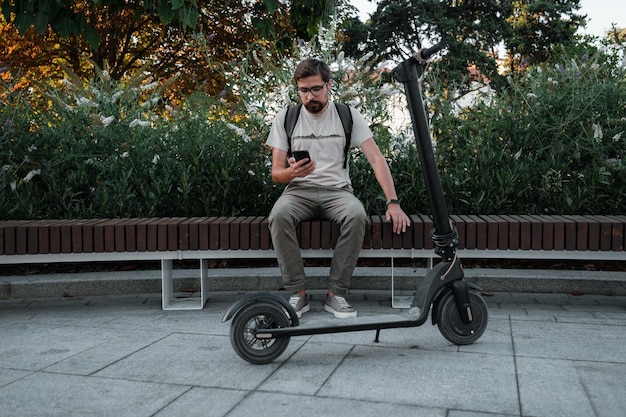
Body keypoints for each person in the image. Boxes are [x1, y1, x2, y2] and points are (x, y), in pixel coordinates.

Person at [266, 58, 410, 319]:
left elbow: (376, 159)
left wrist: (393, 201)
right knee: (278, 216)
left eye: (316, 89)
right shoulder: (287, 117)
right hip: (299, 191)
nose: (310, 96)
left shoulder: (347, 115)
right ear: (297, 89)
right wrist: (292, 173)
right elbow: (276, 173)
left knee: (356, 216)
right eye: (304, 90)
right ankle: (298, 293)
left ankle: (337, 294)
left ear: (329, 85)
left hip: (338, 191)